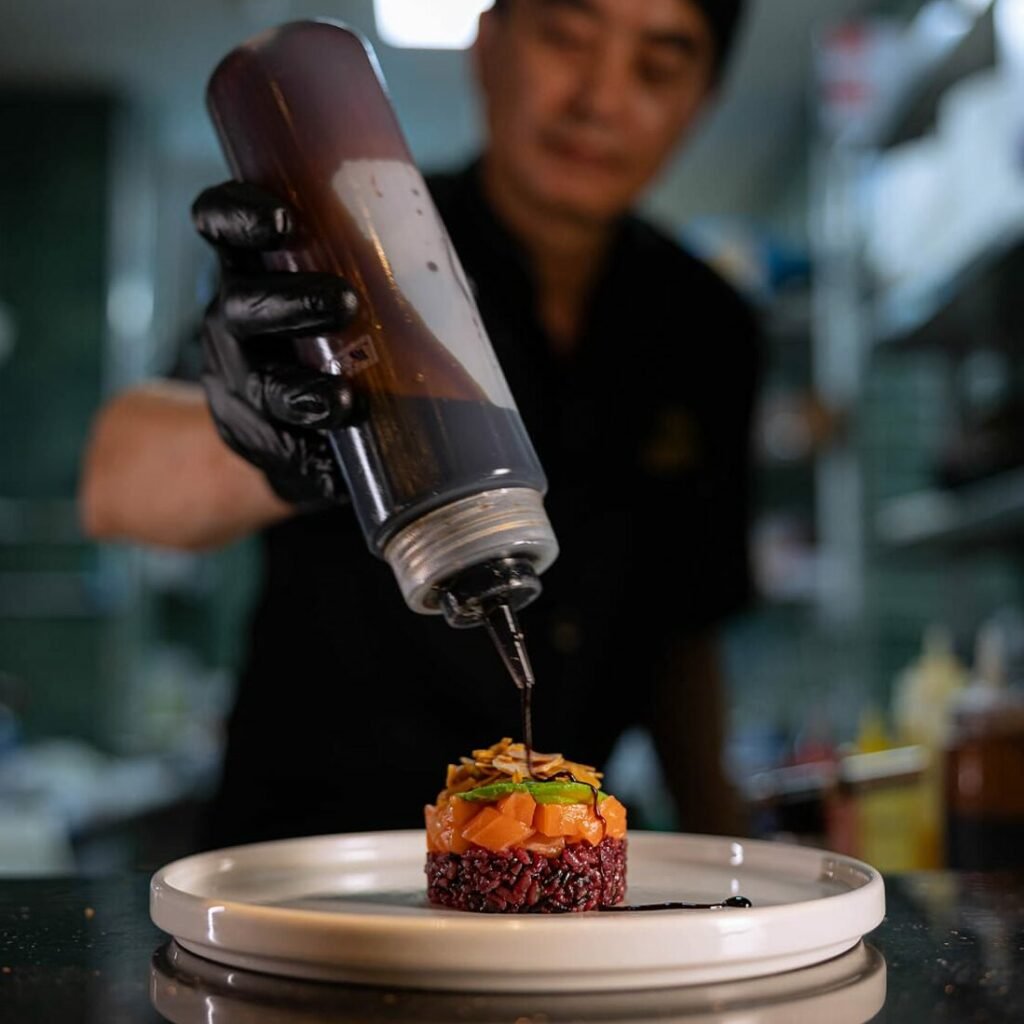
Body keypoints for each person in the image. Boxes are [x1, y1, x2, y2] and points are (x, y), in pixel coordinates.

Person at [80, 0, 761, 848]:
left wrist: (733, 867)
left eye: (656, 67)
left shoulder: (710, 325)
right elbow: (113, 485)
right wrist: (259, 439)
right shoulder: (347, 234)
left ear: (702, 98)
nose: (600, 97)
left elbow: (682, 630)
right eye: (567, 37)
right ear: (487, 44)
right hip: (304, 860)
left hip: (542, 871)